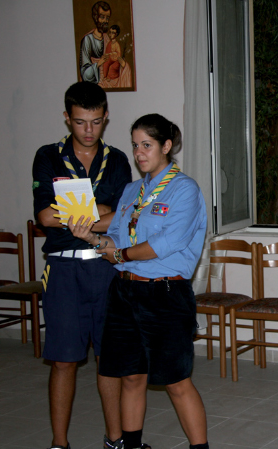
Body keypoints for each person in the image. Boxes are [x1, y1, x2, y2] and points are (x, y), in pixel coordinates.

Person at [69, 114, 209, 449]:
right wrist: (92, 238)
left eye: (147, 145)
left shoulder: (184, 189)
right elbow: (117, 239)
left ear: (166, 146)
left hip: (165, 292)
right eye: (135, 145)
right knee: (131, 376)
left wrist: (120, 255)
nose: (139, 153)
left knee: (176, 382)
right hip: (125, 291)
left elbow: (166, 244)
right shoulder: (133, 190)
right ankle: (132, 446)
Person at [32, 81, 132, 449]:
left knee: (110, 359)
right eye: (79, 122)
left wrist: (79, 212)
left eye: (96, 122)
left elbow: (123, 216)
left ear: (106, 117)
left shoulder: (117, 160)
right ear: (66, 118)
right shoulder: (48, 156)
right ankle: (59, 443)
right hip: (64, 270)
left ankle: (115, 438)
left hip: (106, 267)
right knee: (63, 361)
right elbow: (45, 216)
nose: (88, 131)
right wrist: (99, 209)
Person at [79, 1, 112, 84]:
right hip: (95, 79)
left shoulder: (107, 38)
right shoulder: (88, 39)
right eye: (102, 17)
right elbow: (85, 72)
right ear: (96, 17)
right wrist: (99, 63)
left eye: (107, 18)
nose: (105, 21)